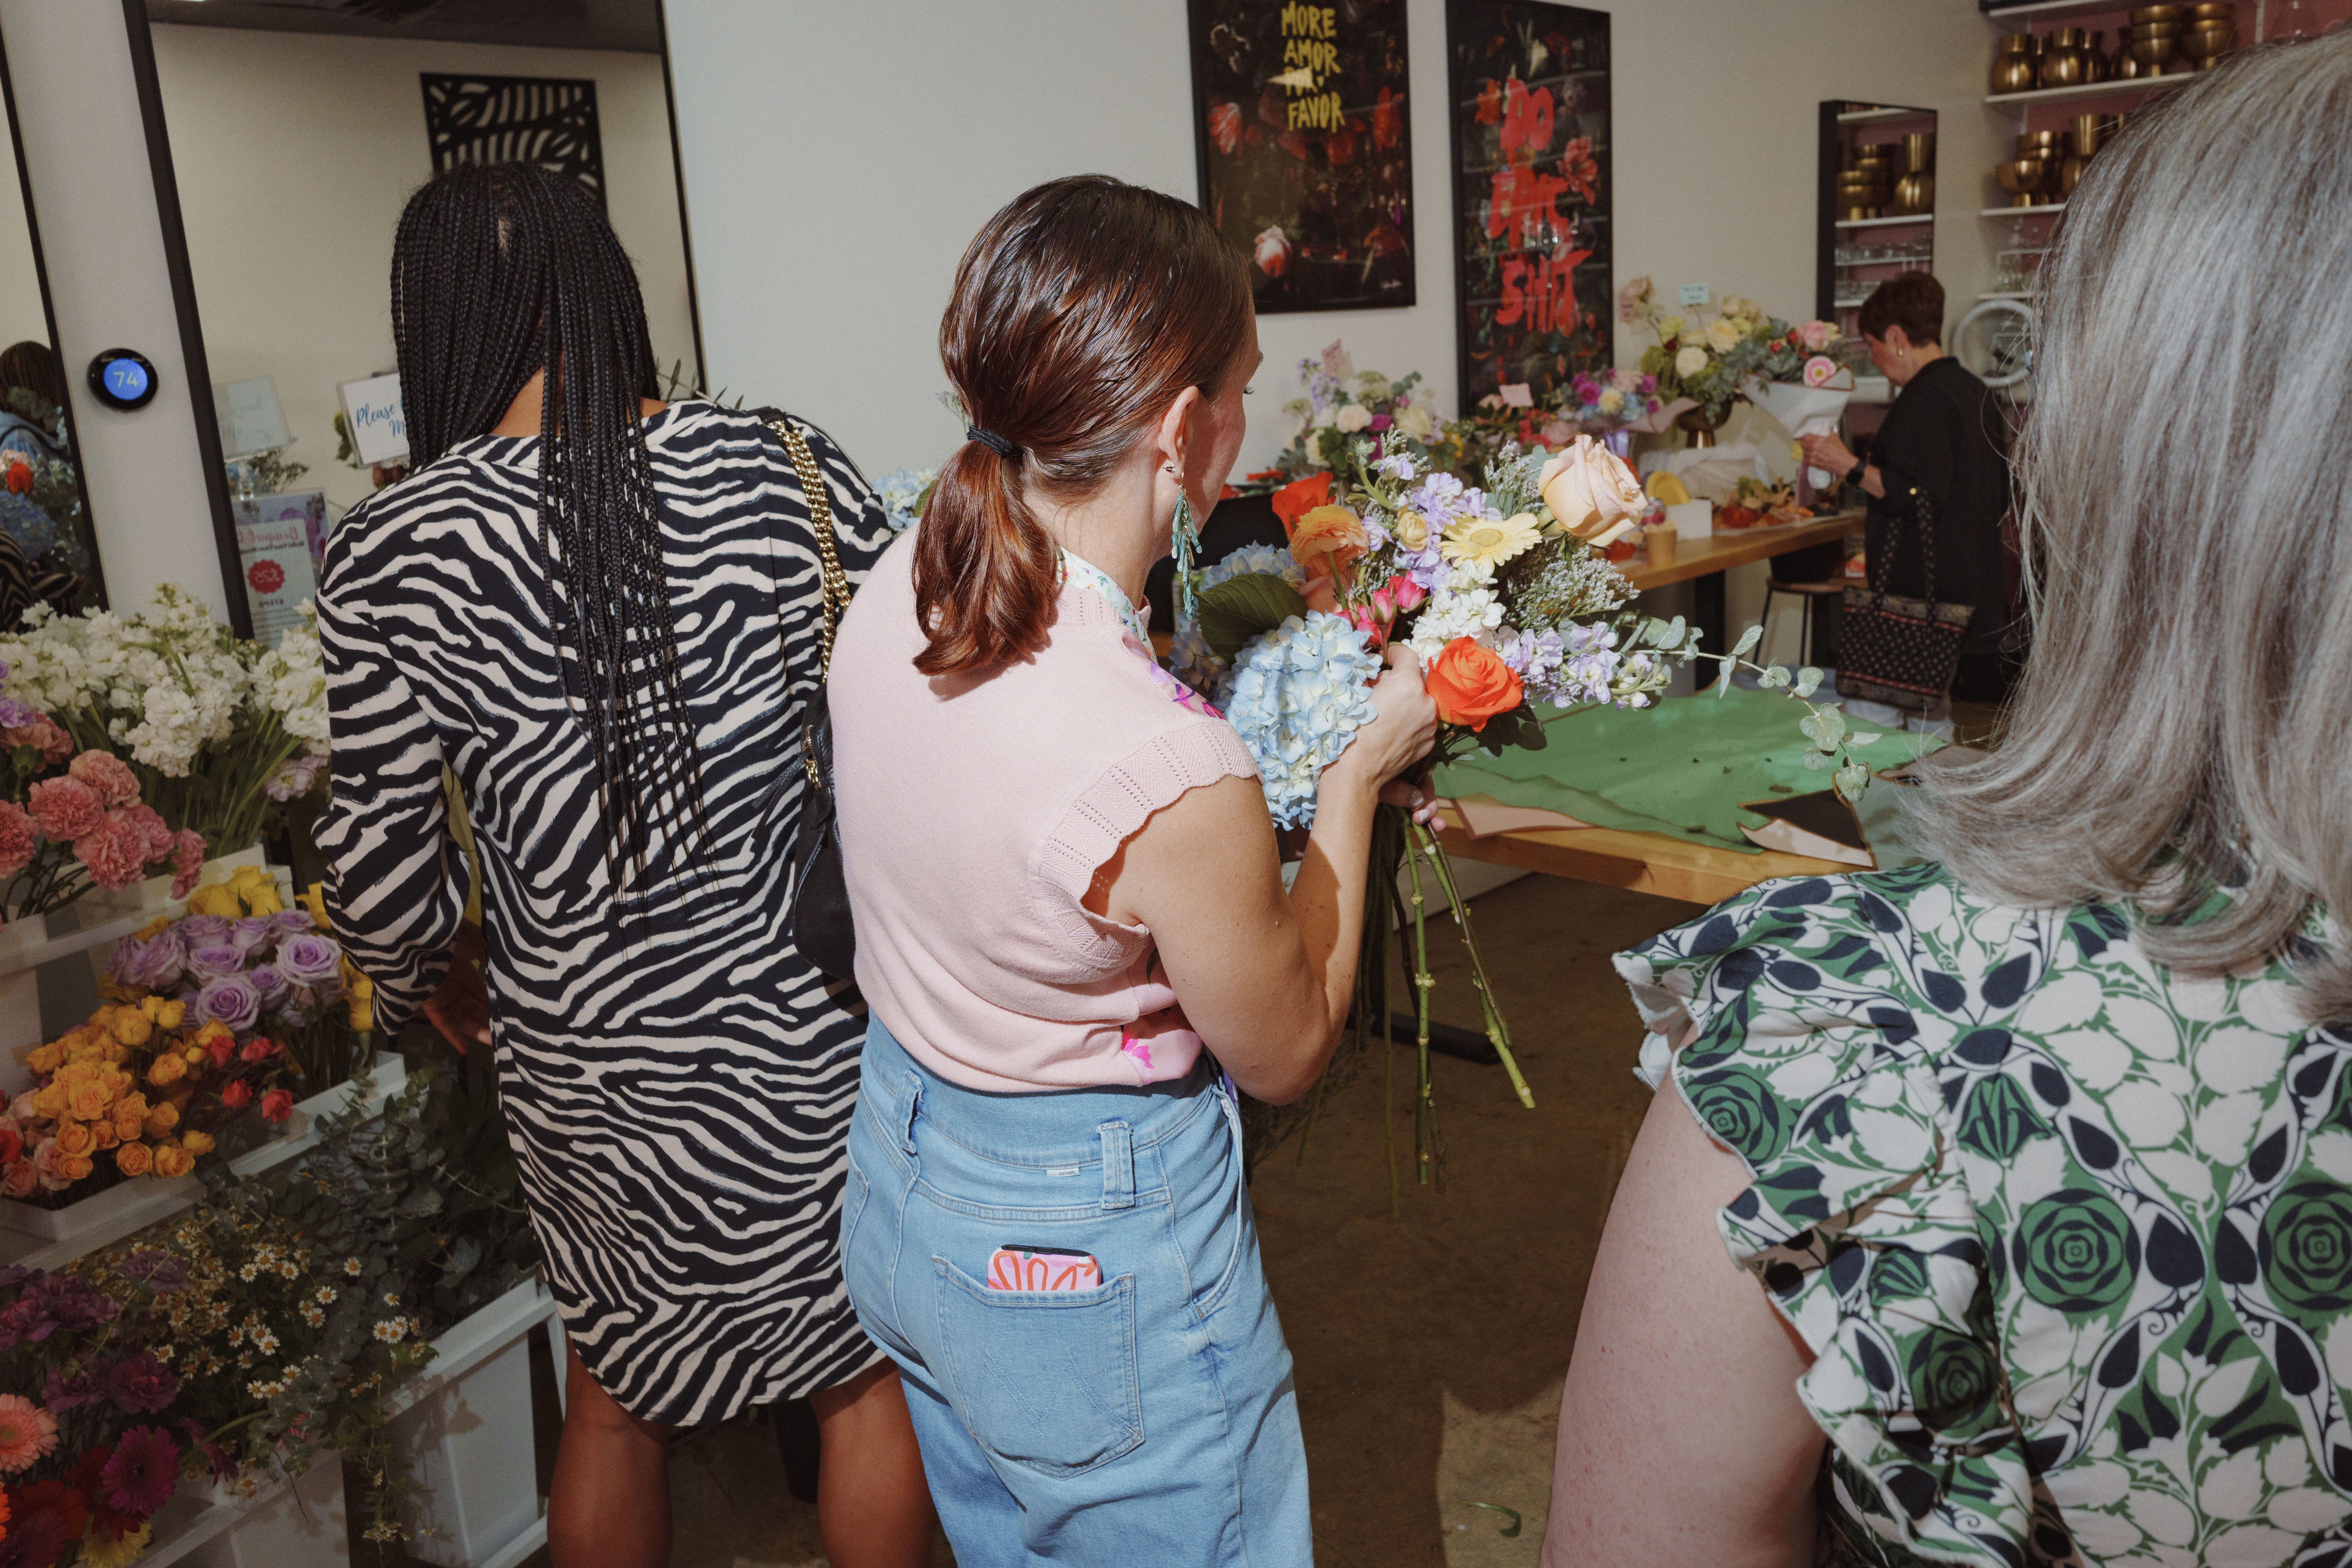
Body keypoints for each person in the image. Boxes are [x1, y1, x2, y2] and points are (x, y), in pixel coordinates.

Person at [1548, 34, 2352, 1568]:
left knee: (1879, 715)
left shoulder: (1860, 1045)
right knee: (1880, 718)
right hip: (1918, 599)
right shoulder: (1943, 401)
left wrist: (1851, 520)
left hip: (1909, 606)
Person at [313, 163, 933, 1568]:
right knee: (862, 1369)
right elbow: (914, 710)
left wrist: (429, 972)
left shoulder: (396, 542)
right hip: (807, 1015)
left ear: (444, 320)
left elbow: (380, 864)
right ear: (606, 287)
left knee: (611, 1397)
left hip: (586, 1048)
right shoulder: (783, 461)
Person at [829, 174, 1437, 1564]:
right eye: (1239, 387)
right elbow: (1283, 1046)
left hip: (903, 1174)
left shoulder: (900, 581)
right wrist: (1350, 773)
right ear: (1179, 427)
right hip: (1077, 1246)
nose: (1245, 419)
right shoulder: (1164, 764)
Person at [1799, 272, 2014, 708]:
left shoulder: (1924, 398)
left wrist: (1845, 463)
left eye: (1873, 345)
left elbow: (1916, 494)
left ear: (1896, 336)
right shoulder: (1976, 392)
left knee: (1886, 727)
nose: (1875, 360)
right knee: (1946, 732)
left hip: (1924, 604)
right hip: (1976, 595)